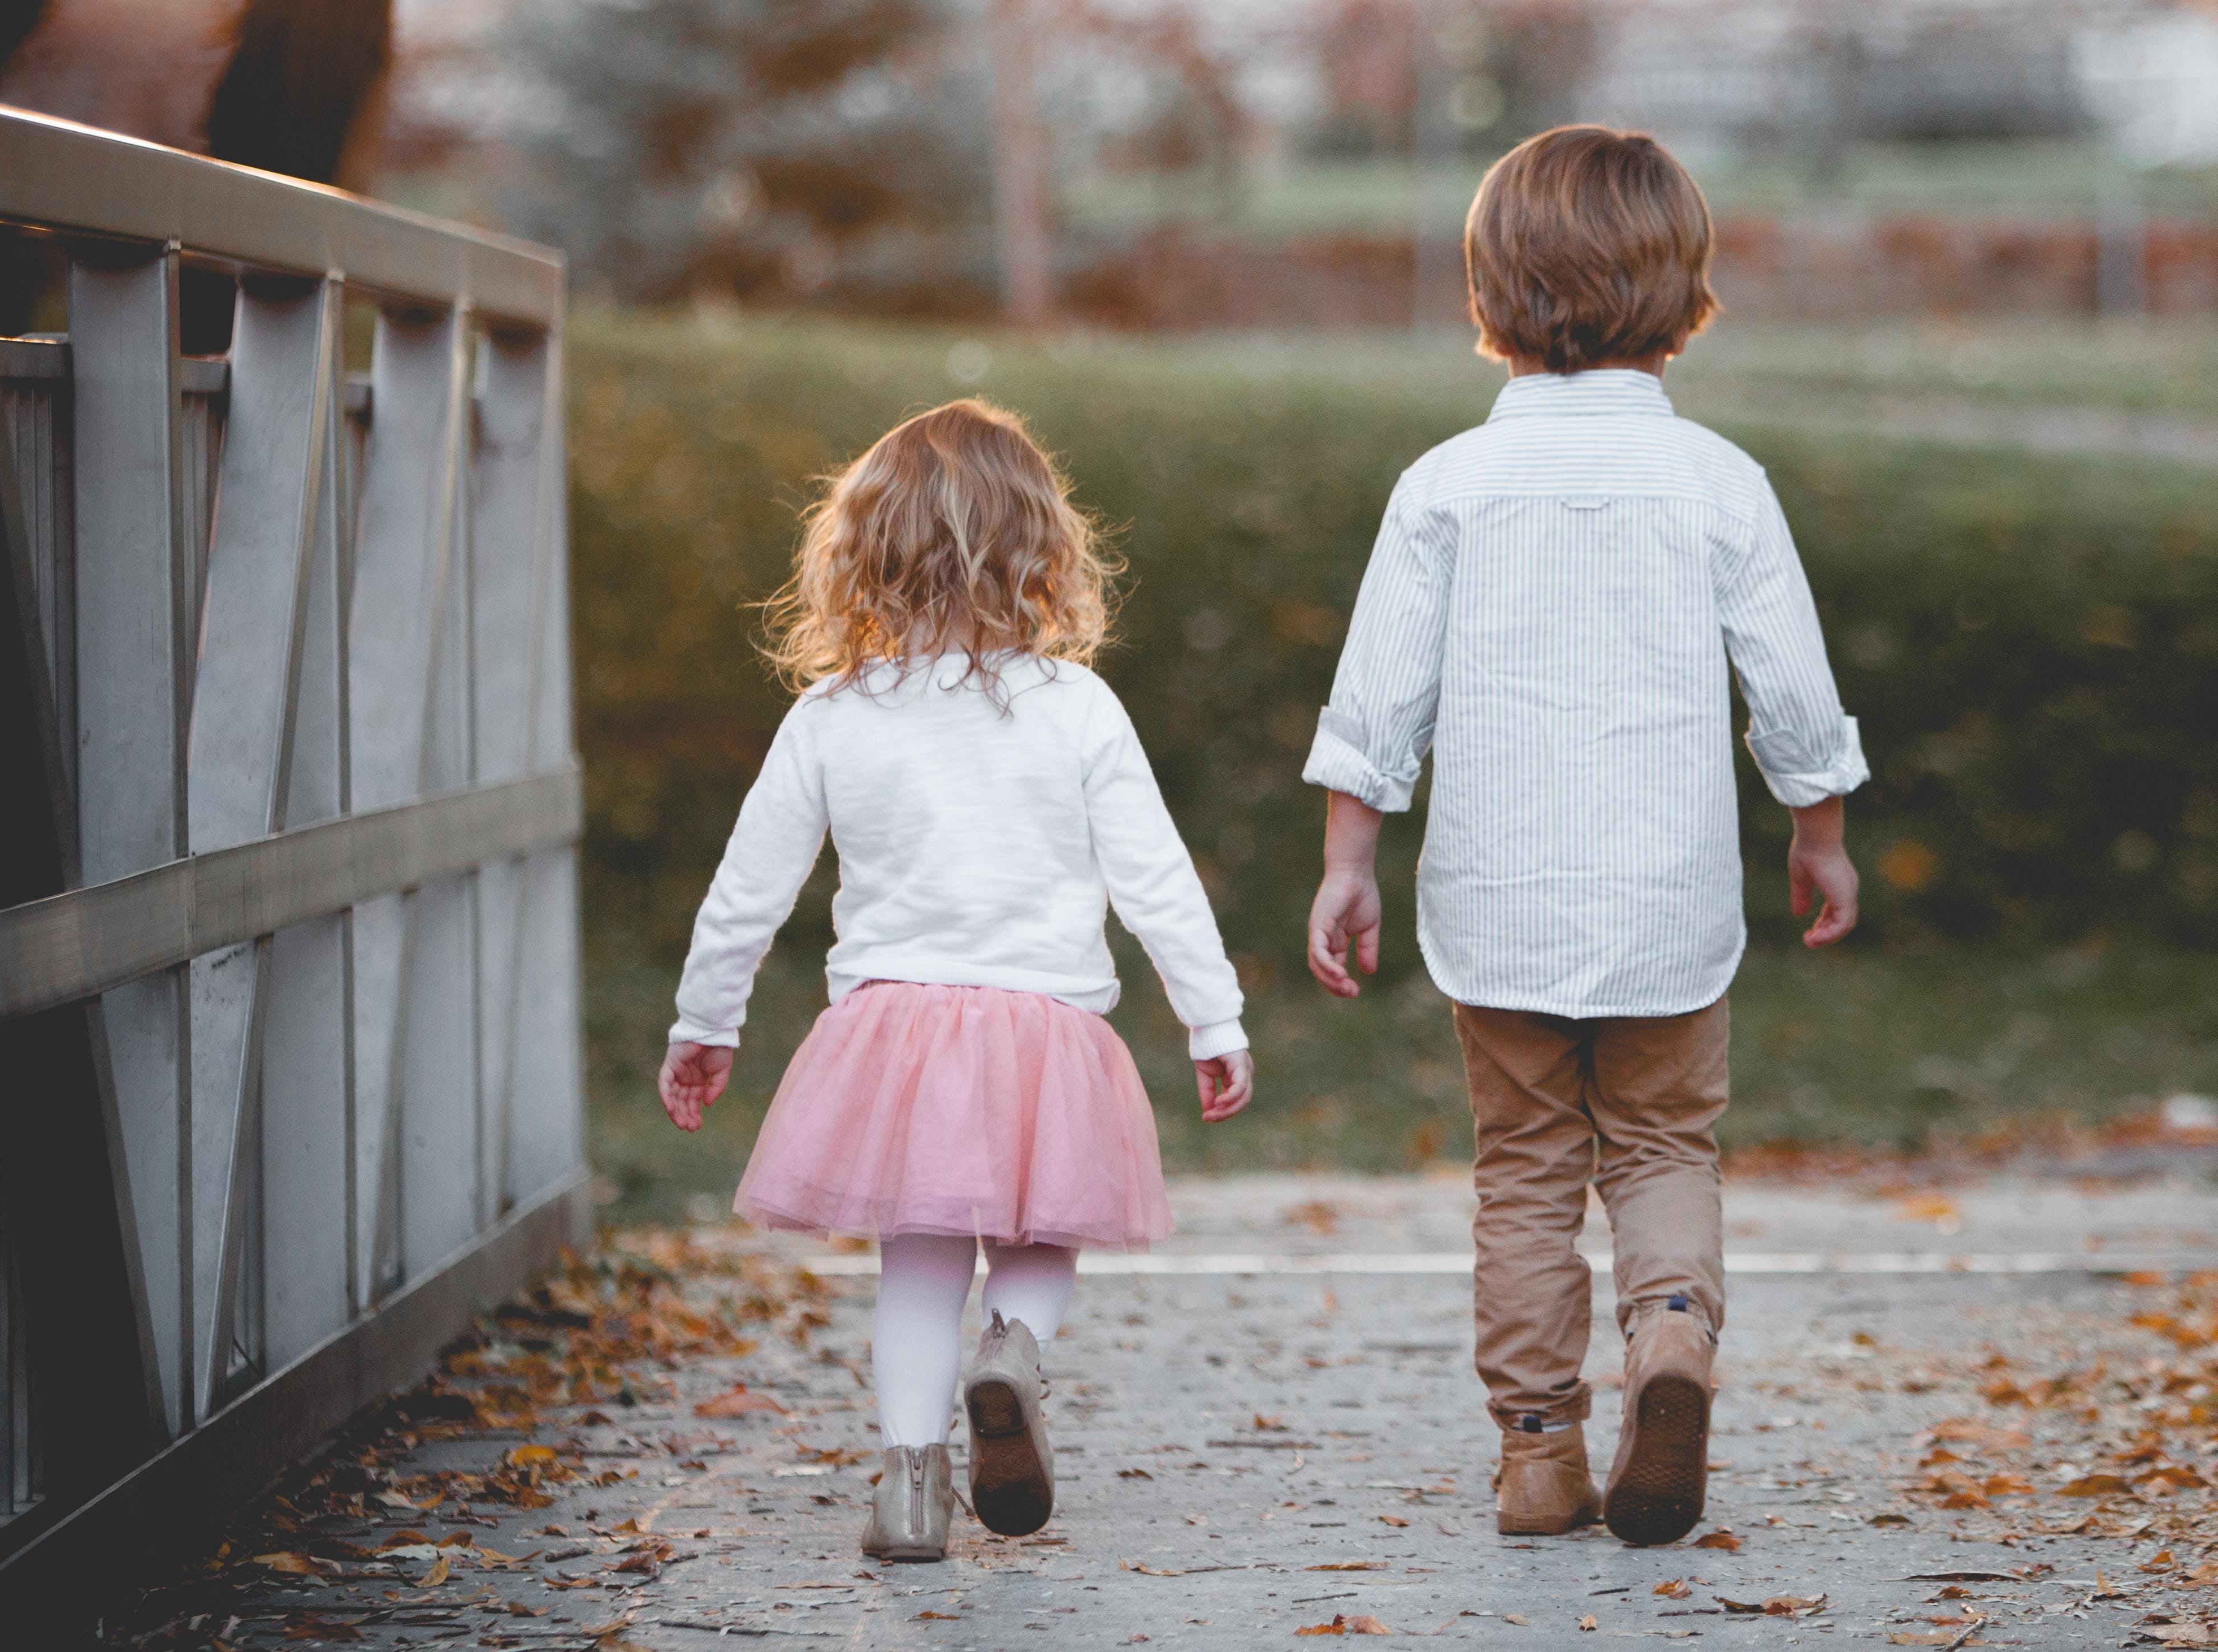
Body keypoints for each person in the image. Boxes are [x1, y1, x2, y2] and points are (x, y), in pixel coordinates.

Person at [1302, 125, 1866, 1546]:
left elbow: (1377, 698)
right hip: (1667, 905)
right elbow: (1790, 689)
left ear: (1490, 289)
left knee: (1526, 1170)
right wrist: (1820, 832)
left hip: (1499, 907)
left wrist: (1348, 860)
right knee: (1666, 1145)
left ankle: (1538, 1452)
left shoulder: (1443, 486)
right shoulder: (1716, 483)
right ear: (1681, 293)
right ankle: (1669, 1335)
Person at [659, 398, 1254, 1562]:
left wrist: (704, 1018)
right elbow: (1155, 881)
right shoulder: (1077, 706)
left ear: (859, 554)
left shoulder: (831, 716)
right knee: (1042, 1234)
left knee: (916, 1261)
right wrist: (1211, 1014)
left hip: (894, 1037)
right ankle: (1014, 1352)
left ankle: (908, 1493)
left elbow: (749, 886)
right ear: (1042, 547)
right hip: (1046, 1028)